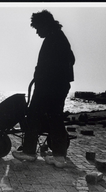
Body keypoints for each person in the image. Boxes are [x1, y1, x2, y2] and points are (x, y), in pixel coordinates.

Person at [12, 10, 75, 168]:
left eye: (38, 28)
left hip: (49, 86)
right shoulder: (59, 37)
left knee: (33, 115)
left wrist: (42, 77)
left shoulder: (53, 38)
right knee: (56, 118)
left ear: (45, 24)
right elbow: (71, 59)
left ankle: (29, 152)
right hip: (58, 85)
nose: (37, 31)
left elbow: (49, 65)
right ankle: (59, 157)